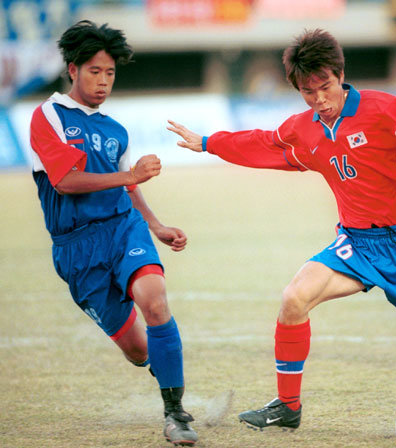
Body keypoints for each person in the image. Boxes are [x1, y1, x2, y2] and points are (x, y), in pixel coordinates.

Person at [167, 29, 396, 429]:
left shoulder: (382, 107)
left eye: (325, 86)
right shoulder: (305, 128)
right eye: (307, 91)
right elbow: (264, 143)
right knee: (294, 299)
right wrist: (209, 143)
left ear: (340, 75)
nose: (319, 99)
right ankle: (288, 407)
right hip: (358, 242)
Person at [30, 20, 197, 447]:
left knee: (154, 299)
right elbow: (65, 180)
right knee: (139, 351)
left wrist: (155, 225)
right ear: (73, 69)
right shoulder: (48, 115)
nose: (103, 82)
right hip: (76, 250)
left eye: (110, 73)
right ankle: (165, 371)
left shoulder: (114, 128)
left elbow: (128, 188)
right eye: (94, 72)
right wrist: (130, 172)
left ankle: (175, 414)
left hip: (123, 229)